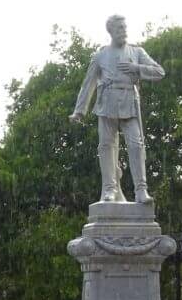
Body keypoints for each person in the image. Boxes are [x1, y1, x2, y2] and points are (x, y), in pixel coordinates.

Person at [70, 14, 165, 204]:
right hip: (106, 104)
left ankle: (141, 190)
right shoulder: (100, 55)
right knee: (106, 146)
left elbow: (159, 72)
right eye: (120, 28)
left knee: (136, 145)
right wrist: (79, 110)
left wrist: (136, 68)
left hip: (129, 102)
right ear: (111, 31)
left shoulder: (137, 52)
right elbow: (88, 84)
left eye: (125, 27)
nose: (124, 31)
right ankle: (110, 189)